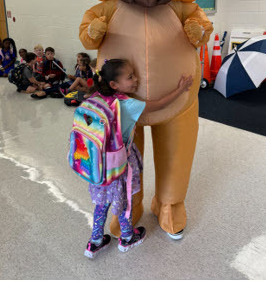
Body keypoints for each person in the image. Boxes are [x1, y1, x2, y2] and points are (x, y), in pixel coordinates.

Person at [82, 59, 192, 258]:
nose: (136, 79)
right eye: (130, 77)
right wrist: (181, 88)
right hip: (118, 163)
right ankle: (127, 238)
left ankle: (95, 241)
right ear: (114, 84)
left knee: (102, 203)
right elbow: (158, 104)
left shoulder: (96, 97)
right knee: (124, 200)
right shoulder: (127, 104)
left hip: (96, 163)